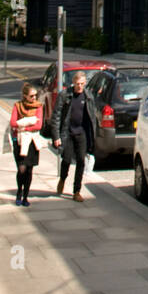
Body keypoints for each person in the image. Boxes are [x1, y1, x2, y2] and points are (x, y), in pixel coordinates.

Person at [52, 70, 95, 202]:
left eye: (82, 84)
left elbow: (92, 118)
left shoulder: (88, 96)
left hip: (81, 133)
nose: (80, 86)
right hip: (68, 132)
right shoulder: (65, 95)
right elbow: (56, 116)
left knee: (81, 161)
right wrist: (56, 136)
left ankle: (76, 191)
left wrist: (92, 137)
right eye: (77, 84)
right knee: (66, 160)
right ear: (73, 83)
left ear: (85, 83)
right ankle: (63, 179)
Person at [9, 82, 44, 207]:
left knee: (29, 170)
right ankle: (19, 192)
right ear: (25, 96)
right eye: (31, 96)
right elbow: (13, 123)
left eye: (35, 95)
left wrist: (23, 126)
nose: (34, 98)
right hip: (20, 142)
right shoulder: (17, 106)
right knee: (21, 169)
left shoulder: (38, 107)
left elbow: (39, 125)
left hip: (32, 143)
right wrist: (30, 123)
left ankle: (26, 196)